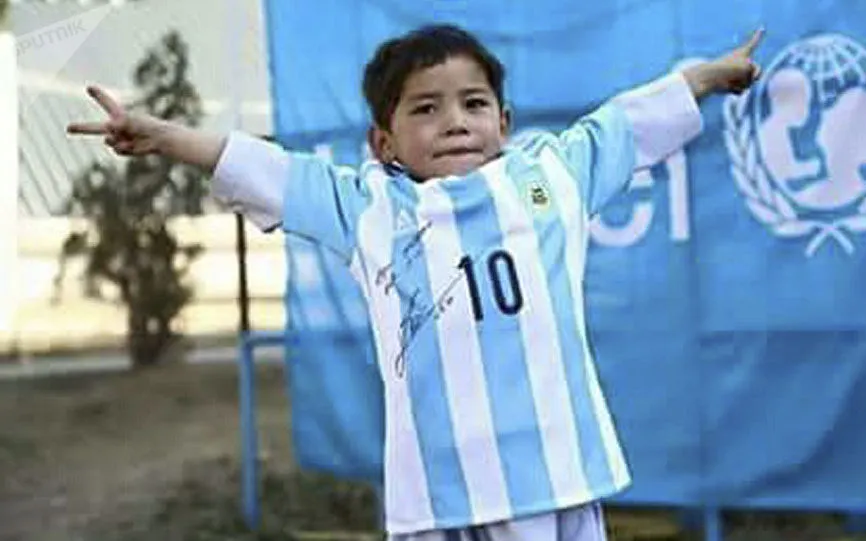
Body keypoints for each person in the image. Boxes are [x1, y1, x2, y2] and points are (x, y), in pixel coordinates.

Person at [68, 23, 764, 541]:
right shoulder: (366, 207)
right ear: (384, 141)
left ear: (504, 121)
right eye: (425, 108)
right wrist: (159, 134)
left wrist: (709, 75)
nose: (454, 121)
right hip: (437, 491)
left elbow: (627, 121)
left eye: (472, 102)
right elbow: (259, 166)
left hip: (555, 475)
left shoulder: (551, 174)